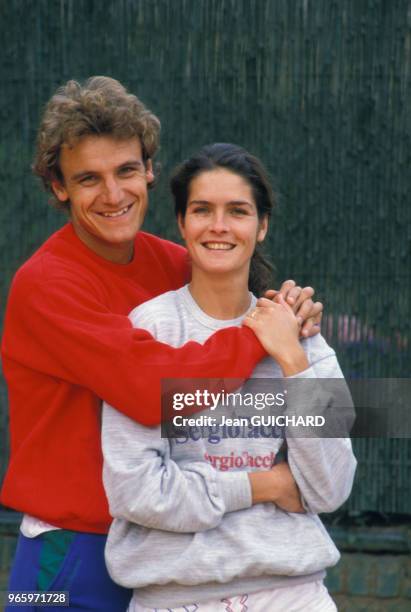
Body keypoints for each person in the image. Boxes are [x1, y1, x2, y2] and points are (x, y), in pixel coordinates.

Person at [1, 77, 322, 611]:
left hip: (167, 546)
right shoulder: (45, 285)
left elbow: (326, 429)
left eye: (126, 170)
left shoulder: (174, 264)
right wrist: (260, 333)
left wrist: (289, 317)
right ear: (59, 187)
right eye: (88, 179)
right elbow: (156, 392)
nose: (114, 194)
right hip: (67, 551)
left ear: (149, 169)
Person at [102, 143, 357, 612]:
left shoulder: (301, 333)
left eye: (237, 211)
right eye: (202, 210)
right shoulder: (148, 330)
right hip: (173, 598)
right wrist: (265, 484)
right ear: (182, 223)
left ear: (261, 226)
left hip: (290, 593)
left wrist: (293, 363)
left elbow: (330, 488)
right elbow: (138, 491)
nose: (219, 226)